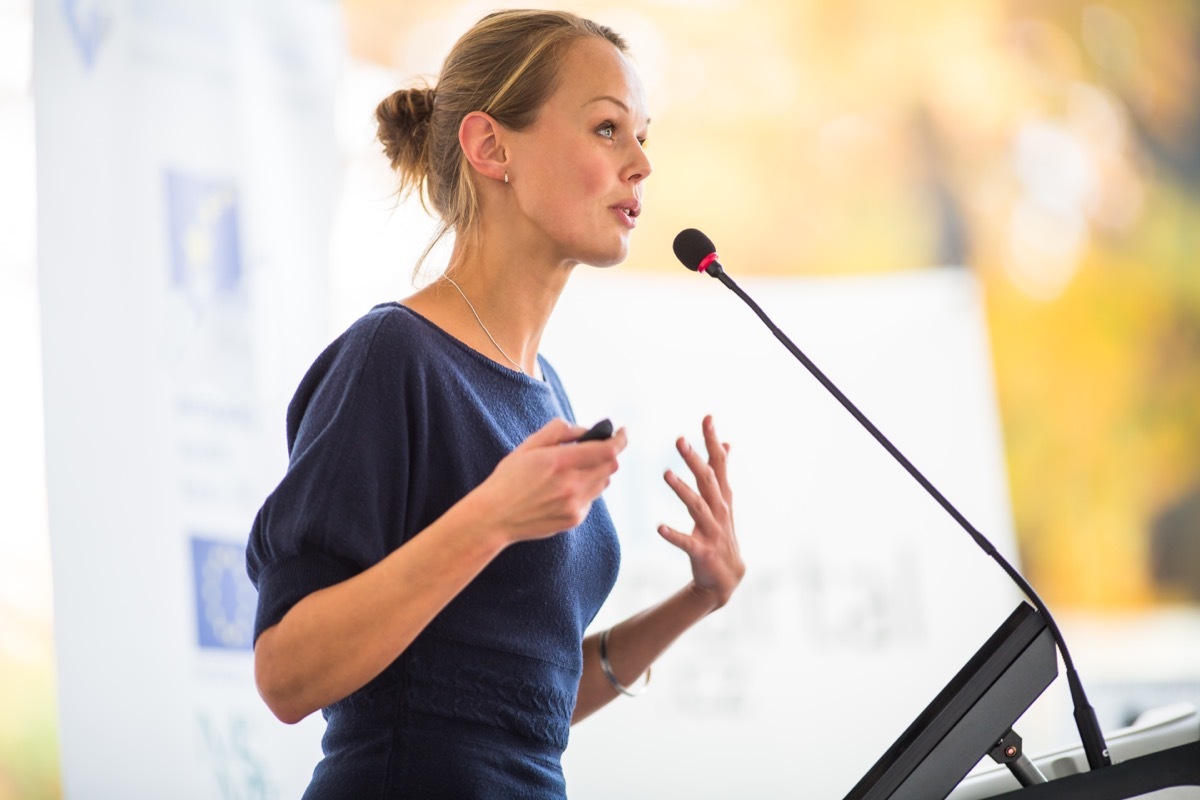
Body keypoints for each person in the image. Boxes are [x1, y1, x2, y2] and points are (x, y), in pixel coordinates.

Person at [246, 9, 745, 798]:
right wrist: (492, 519)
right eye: (609, 128)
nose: (643, 162)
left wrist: (697, 601)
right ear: (490, 147)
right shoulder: (393, 357)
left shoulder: (544, 387)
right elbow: (286, 673)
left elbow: (513, 710)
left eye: (645, 135)